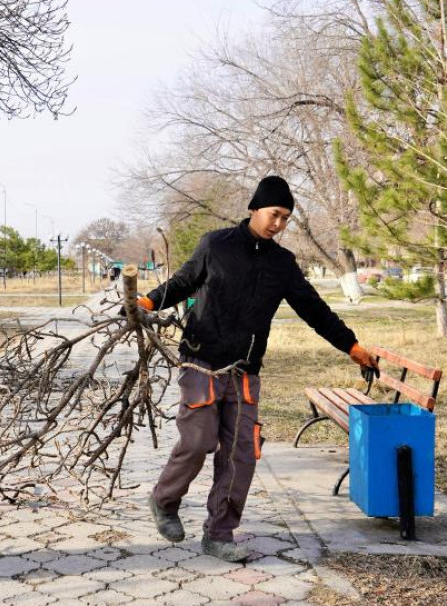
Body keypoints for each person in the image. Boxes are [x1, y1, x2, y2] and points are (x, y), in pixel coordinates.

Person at [138, 176, 378, 562]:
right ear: (255, 208)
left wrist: (351, 345)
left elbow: (314, 309)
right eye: (274, 214)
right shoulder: (216, 245)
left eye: (285, 218)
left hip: (245, 371)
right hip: (202, 362)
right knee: (198, 441)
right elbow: (183, 282)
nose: (278, 224)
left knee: (241, 455)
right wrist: (149, 303)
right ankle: (164, 500)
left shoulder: (282, 264)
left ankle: (219, 534)